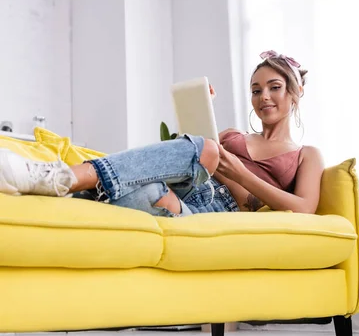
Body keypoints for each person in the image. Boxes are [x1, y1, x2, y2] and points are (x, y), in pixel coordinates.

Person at [0, 50, 324, 215]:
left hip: (211, 208)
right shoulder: (231, 135)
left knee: (142, 192)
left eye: (274, 87)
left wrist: (237, 172)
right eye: (256, 90)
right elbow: (179, 158)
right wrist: (200, 115)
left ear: (295, 93)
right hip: (181, 185)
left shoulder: (306, 154)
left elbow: (305, 208)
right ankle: (55, 180)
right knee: (206, 148)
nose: (263, 96)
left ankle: (58, 179)